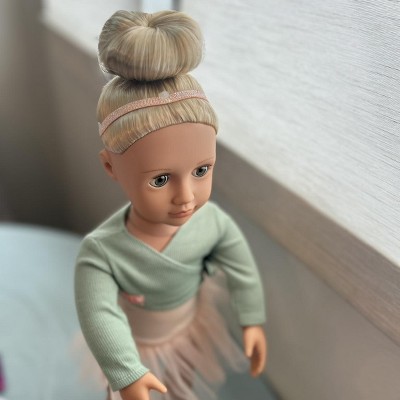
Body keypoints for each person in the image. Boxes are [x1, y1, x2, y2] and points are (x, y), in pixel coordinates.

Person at [74, 9, 267, 400]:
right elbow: (99, 314)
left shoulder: (211, 223)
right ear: (111, 166)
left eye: (201, 170)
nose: (186, 196)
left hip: (189, 326)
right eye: (160, 180)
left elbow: (241, 267)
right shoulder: (102, 252)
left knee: (183, 383)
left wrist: (251, 318)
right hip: (131, 345)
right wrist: (126, 372)